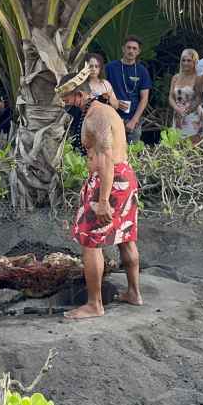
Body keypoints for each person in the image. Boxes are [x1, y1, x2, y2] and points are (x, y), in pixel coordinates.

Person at [55, 68, 142, 320]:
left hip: (109, 183)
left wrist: (103, 201)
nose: (65, 104)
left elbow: (105, 159)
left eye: (67, 99)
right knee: (126, 237)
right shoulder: (105, 112)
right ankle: (134, 293)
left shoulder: (96, 118)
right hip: (124, 177)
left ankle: (94, 304)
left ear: (80, 95)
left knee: (90, 242)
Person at [105, 36, 151, 144]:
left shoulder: (142, 71)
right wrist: (113, 100)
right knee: (111, 152)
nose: (131, 51)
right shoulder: (110, 67)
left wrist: (134, 120)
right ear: (123, 49)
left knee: (132, 154)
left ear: (138, 51)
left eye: (134, 49)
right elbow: (101, 90)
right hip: (112, 117)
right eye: (128, 47)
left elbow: (144, 98)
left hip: (132, 119)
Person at [168, 48, 203, 142]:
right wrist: (177, 109)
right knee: (177, 146)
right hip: (178, 115)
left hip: (193, 115)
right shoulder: (176, 77)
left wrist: (188, 110)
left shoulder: (198, 78)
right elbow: (171, 97)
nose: (185, 63)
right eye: (183, 60)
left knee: (193, 147)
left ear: (195, 62)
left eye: (189, 60)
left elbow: (200, 97)